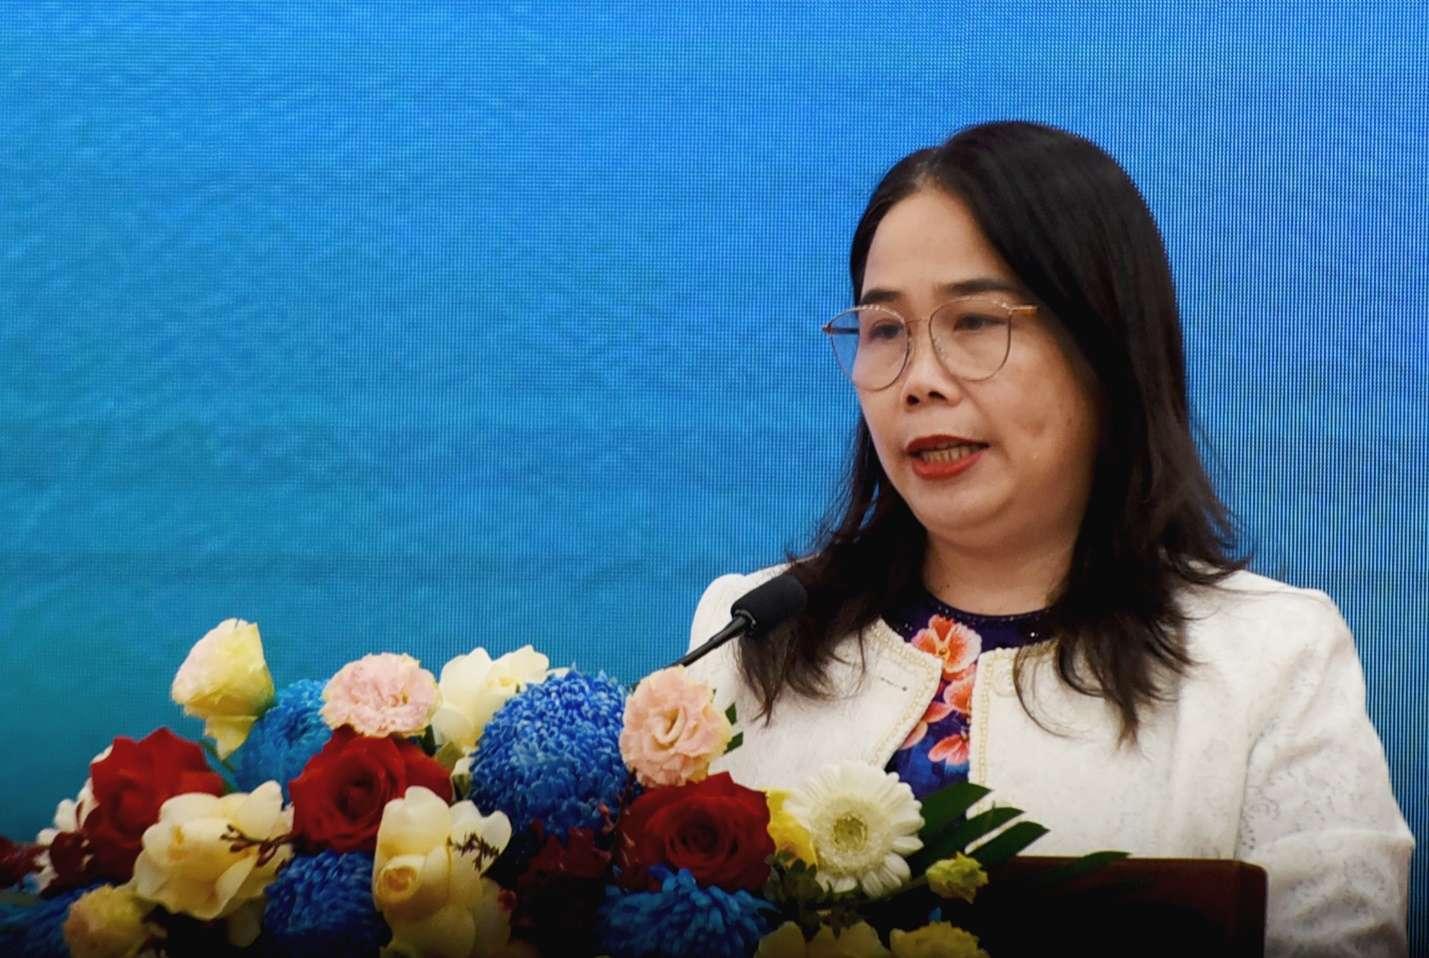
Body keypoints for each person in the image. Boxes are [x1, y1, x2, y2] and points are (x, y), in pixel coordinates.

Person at [686, 121, 1413, 955]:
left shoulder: (1270, 659)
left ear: (1103, 345)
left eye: (973, 321)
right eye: (884, 330)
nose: (918, 381)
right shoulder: (750, 631)